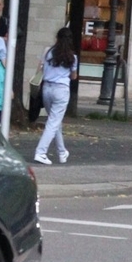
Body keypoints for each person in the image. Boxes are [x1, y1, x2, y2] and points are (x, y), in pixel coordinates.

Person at [34, 28, 78, 166]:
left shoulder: (48, 51)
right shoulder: (72, 57)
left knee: (54, 121)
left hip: (47, 88)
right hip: (61, 90)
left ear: (57, 38)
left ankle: (61, 152)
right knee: (53, 122)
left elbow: (39, 70)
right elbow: (73, 76)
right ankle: (41, 152)